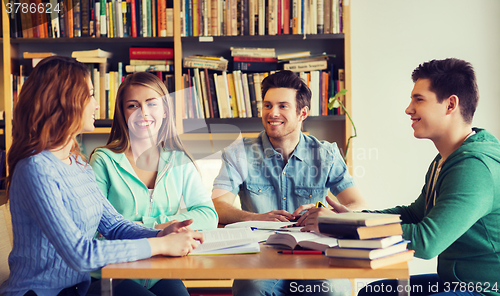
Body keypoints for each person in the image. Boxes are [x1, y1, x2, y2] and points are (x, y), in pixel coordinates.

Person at [0, 56, 204, 296]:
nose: (97, 105)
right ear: (63, 102)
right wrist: (160, 244)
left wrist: (161, 233)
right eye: (90, 95)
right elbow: (80, 255)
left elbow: (115, 226)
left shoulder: (78, 164)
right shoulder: (35, 169)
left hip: (78, 289)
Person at [304, 58, 500, 296]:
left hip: (483, 289)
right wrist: (355, 217)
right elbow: (414, 215)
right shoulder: (445, 159)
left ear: (450, 105)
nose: (408, 109)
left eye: (418, 99)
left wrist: (346, 226)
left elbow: (427, 242)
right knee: (373, 293)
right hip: (457, 281)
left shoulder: (474, 166)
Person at [211, 70, 369, 296]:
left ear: (302, 113)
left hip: (316, 260)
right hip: (261, 260)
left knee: (333, 290)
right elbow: (216, 206)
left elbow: (358, 204)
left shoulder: (326, 154)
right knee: (249, 288)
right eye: (267, 105)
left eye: (282, 106)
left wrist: (329, 216)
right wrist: (256, 218)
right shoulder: (239, 152)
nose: (272, 113)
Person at [89, 72, 218, 293]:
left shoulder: (179, 161)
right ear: (122, 112)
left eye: (152, 103)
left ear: (165, 109)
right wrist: (160, 231)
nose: (143, 112)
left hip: (161, 271)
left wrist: (159, 224)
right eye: (132, 105)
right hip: (114, 274)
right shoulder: (103, 161)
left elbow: (208, 214)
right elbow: (94, 233)